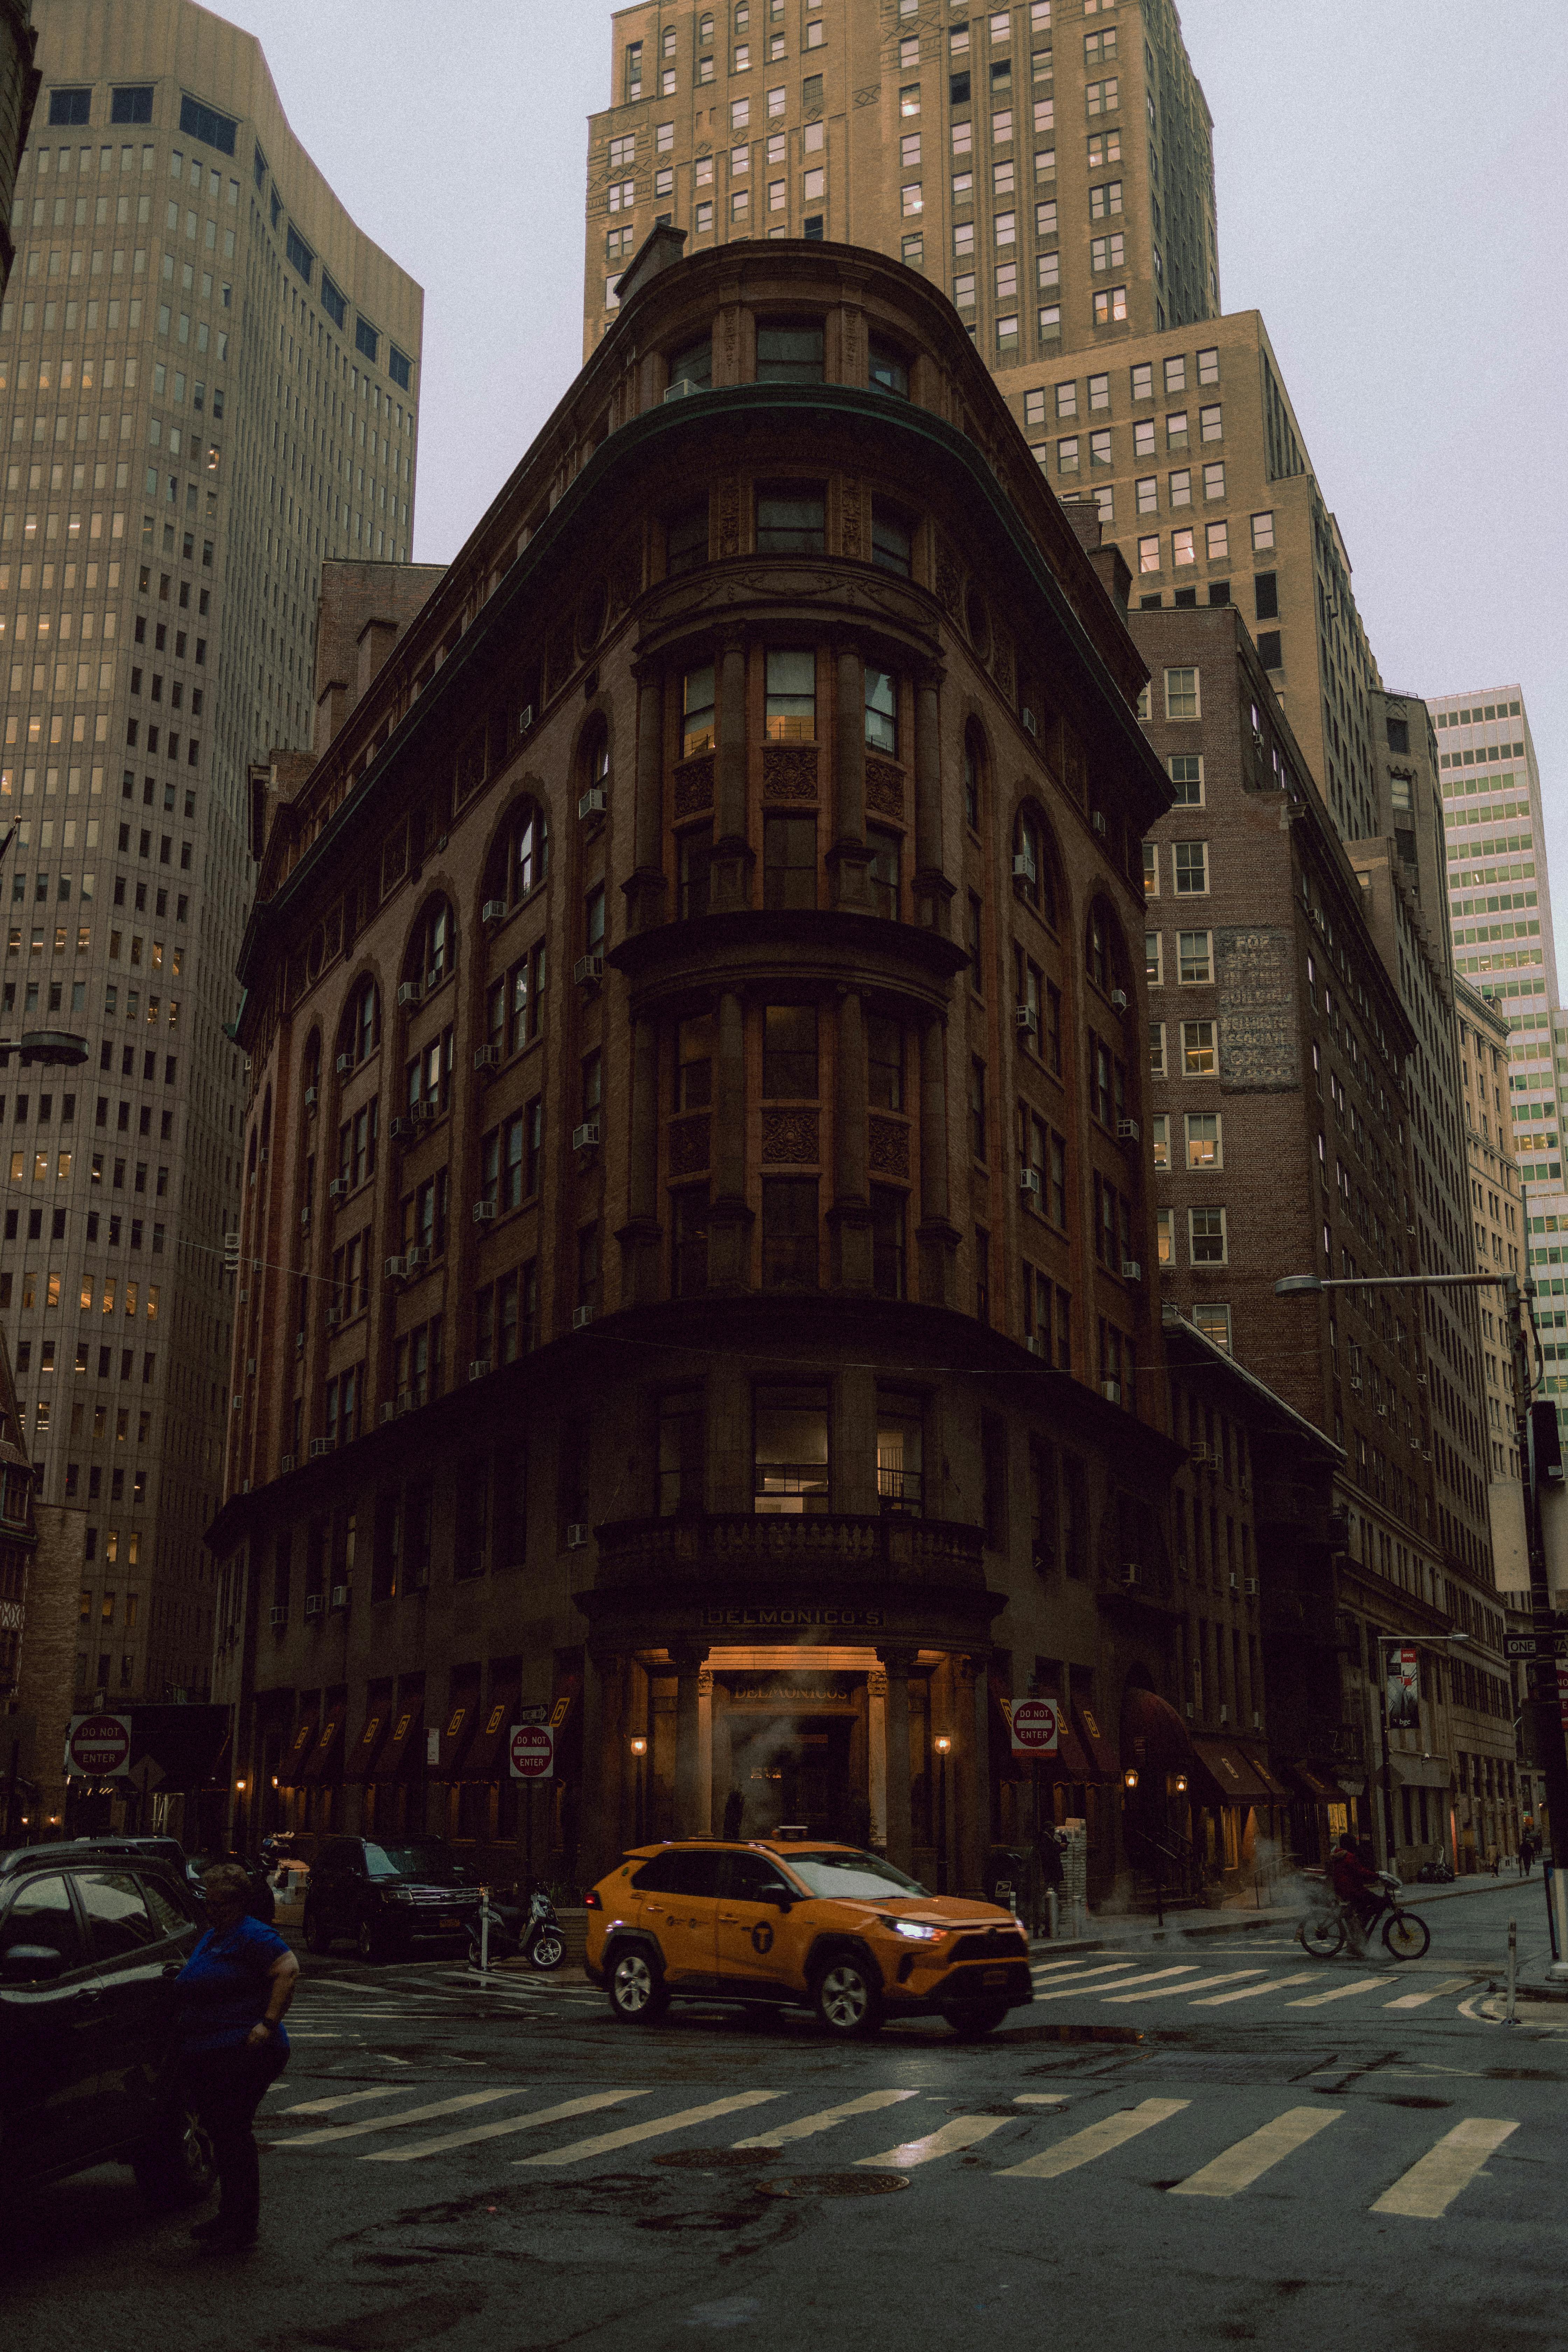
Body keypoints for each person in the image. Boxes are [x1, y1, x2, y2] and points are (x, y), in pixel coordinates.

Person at [174, 1860, 299, 2252]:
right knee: (225, 2133)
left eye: (221, 1904)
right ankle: (231, 2216)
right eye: (209, 1903)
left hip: (245, 2051)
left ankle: (242, 2225)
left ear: (239, 1903)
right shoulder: (215, 1935)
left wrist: (267, 2023)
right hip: (212, 2050)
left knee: (233, 2132)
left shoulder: (252, 1935)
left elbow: (288, 1968)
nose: (213, 1910)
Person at [1328, 1834, 1382, 1949]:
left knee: (1364, 1906)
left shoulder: (1340, 1855)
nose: (1356, 1845)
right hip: (1351, 1890)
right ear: (1349, 1844)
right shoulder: (1349, 1857)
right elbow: (1360, 1871)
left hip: (1347, 1889)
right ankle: (1359, 1930)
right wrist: (1378, 1876)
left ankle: (1358, 1930)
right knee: (1378, 1903)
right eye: (1353, 1843)